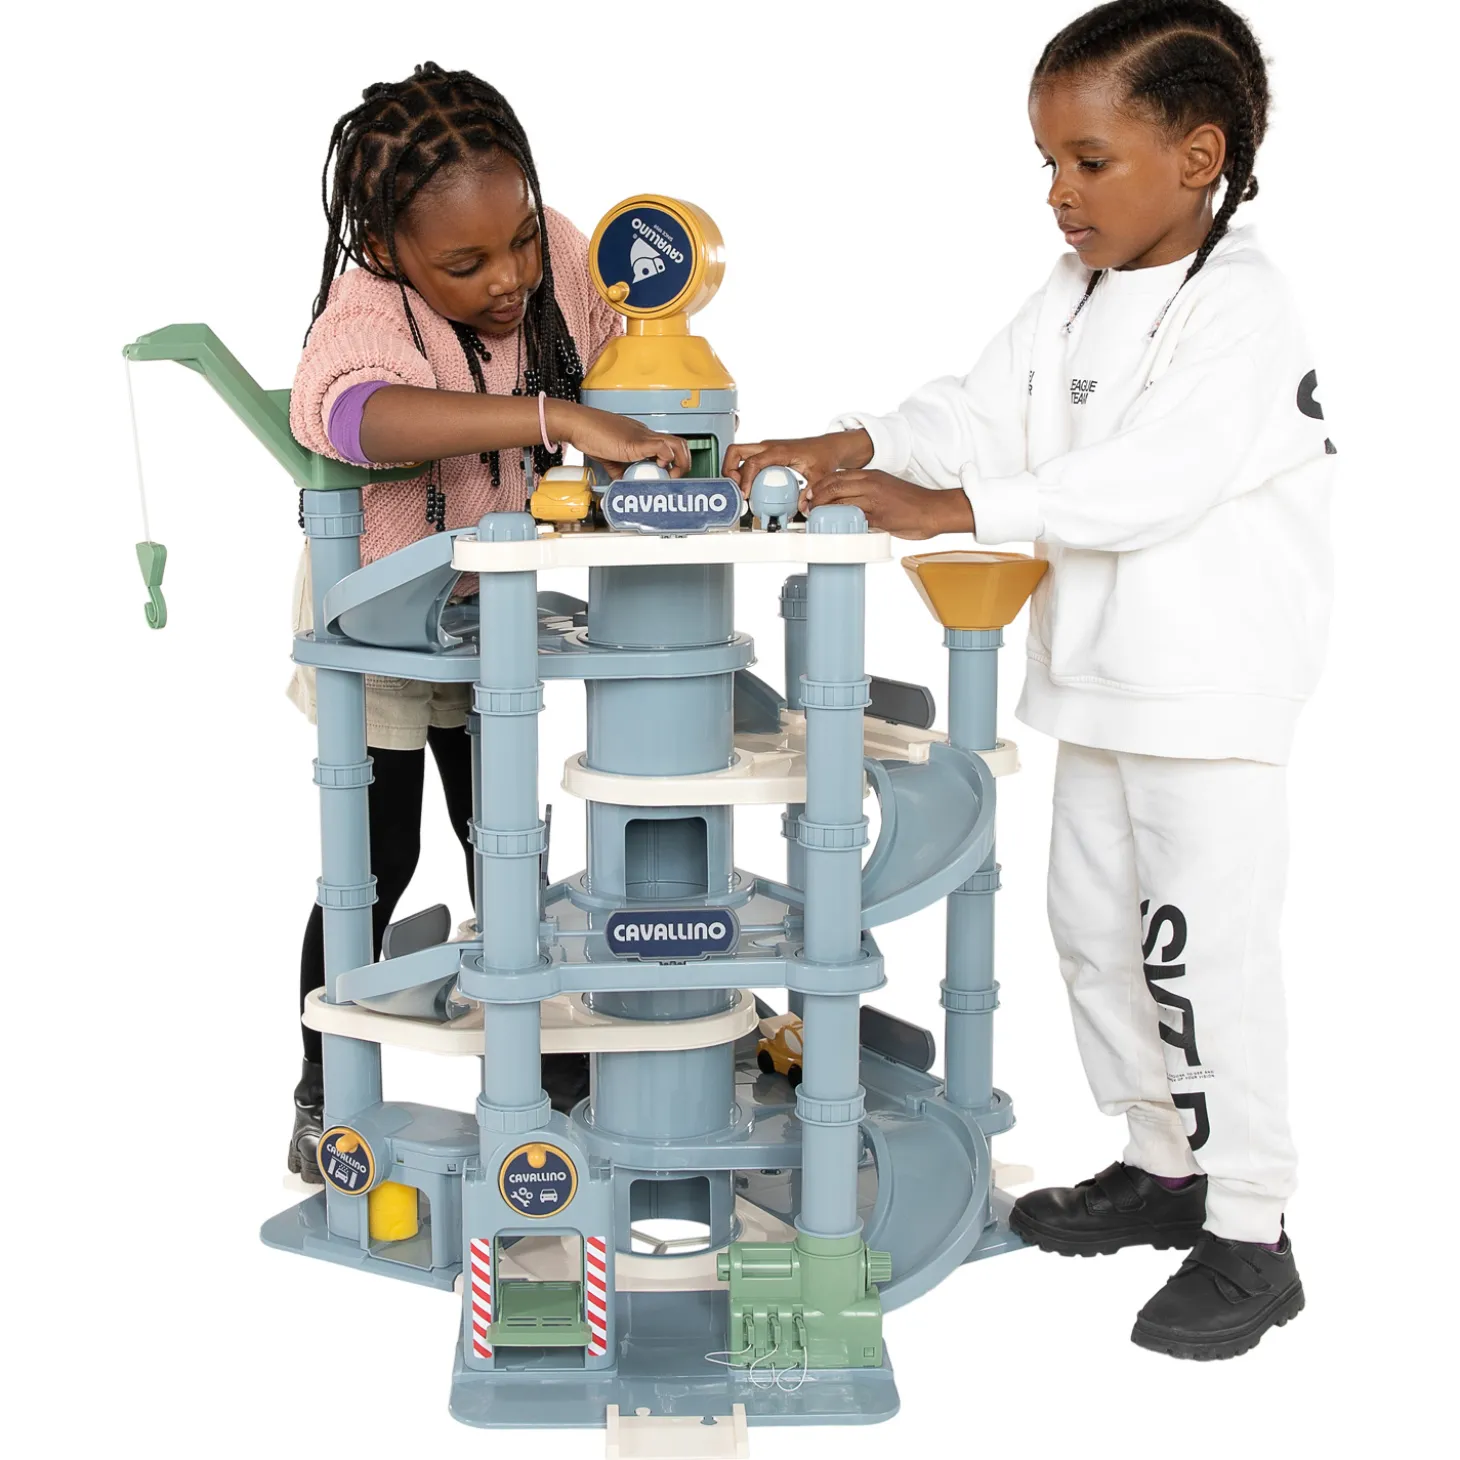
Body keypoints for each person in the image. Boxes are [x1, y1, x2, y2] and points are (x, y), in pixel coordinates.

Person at [724, 0, 1332, 1360]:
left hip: (1206, 693)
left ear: (1198, 155)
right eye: (1048, 162)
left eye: (1089, 162)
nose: (1059, 192)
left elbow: (1151, 479)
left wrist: (947, 512)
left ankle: (1253, 1230)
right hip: (1103, 684)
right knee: (1096, 935)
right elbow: (974, 411)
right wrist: (852, 444)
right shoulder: (1077, 290)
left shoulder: (1242, 304)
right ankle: (1164, 1165)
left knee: (1200, 958)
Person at [286, 63, 690, 1182]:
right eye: (465, 265)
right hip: (377, 608)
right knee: (375, 857)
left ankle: (550, 1068)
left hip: (490, 615)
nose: (510, 277)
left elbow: (619, 364)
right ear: (388, 245)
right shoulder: (370, 300)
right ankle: (323, 1089)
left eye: (517, 240)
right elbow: (353, 415)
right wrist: (550, 414)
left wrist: (669, 427)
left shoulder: (553, 250)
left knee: (506, 848)